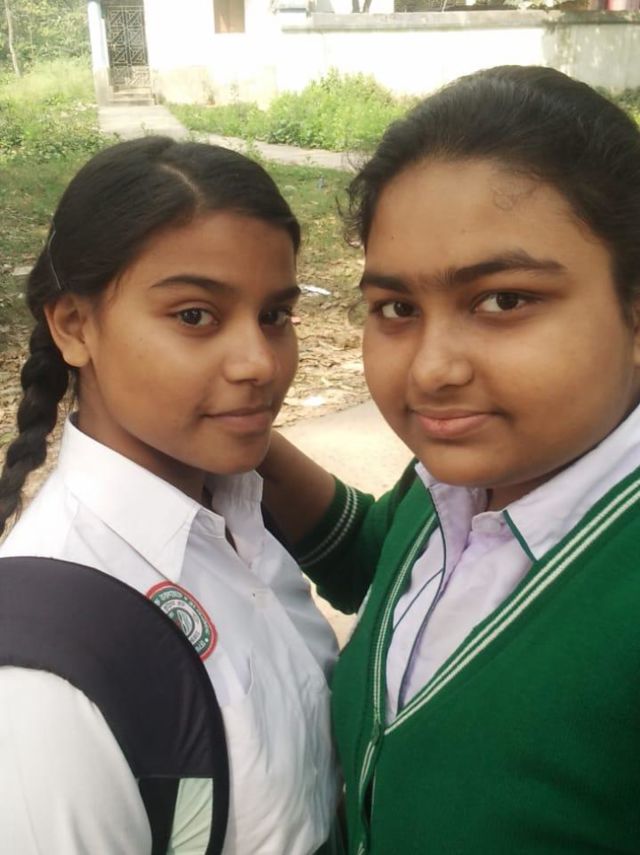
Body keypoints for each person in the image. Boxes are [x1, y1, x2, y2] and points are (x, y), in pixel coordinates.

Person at [258, 65, 640, 854]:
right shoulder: (457, 482)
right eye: (396, 308)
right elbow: (379, 557)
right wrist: (232, 430)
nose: (431, 369)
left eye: (503, 300)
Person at [0, 137, 339, 854]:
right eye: (194, 316)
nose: (260, 363)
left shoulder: (247, 514)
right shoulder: (43, 671)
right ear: (74, 325)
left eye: (275, 316)